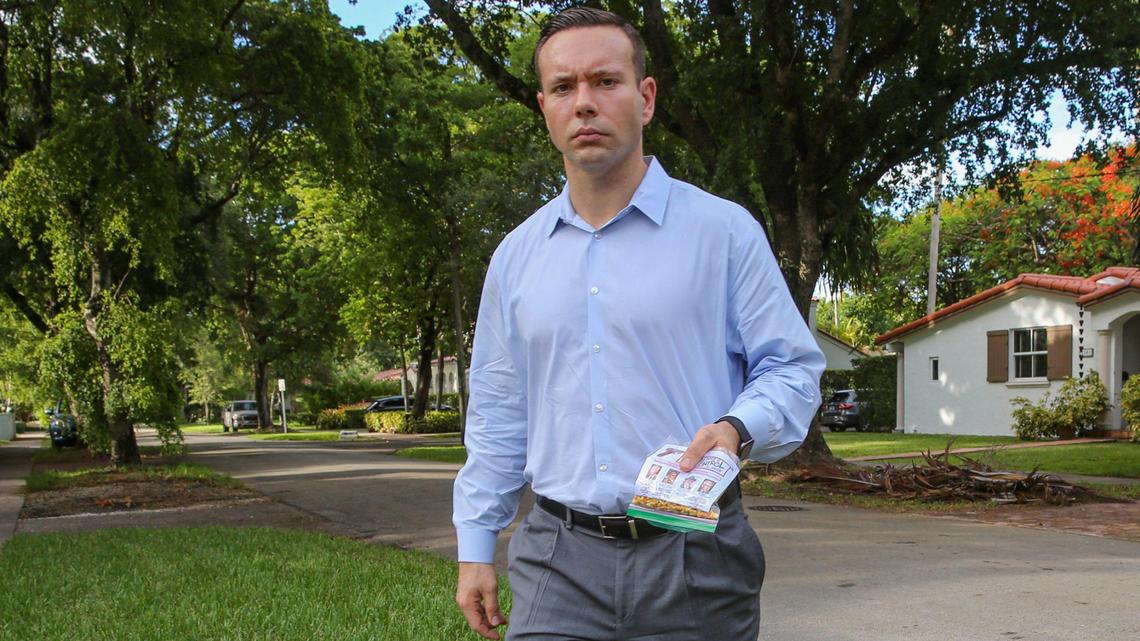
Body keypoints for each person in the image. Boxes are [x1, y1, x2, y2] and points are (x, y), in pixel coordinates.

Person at [452, 7, 825, 641]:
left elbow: (790, 366)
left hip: (695, 551)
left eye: (606, 81)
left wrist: (738, 427)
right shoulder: (517, 257)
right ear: (544, 106)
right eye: (565, 88)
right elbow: (498, 407)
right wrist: (475, 544)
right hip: (556, 558)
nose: (585, 104)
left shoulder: (724, 233)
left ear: (645, 98)